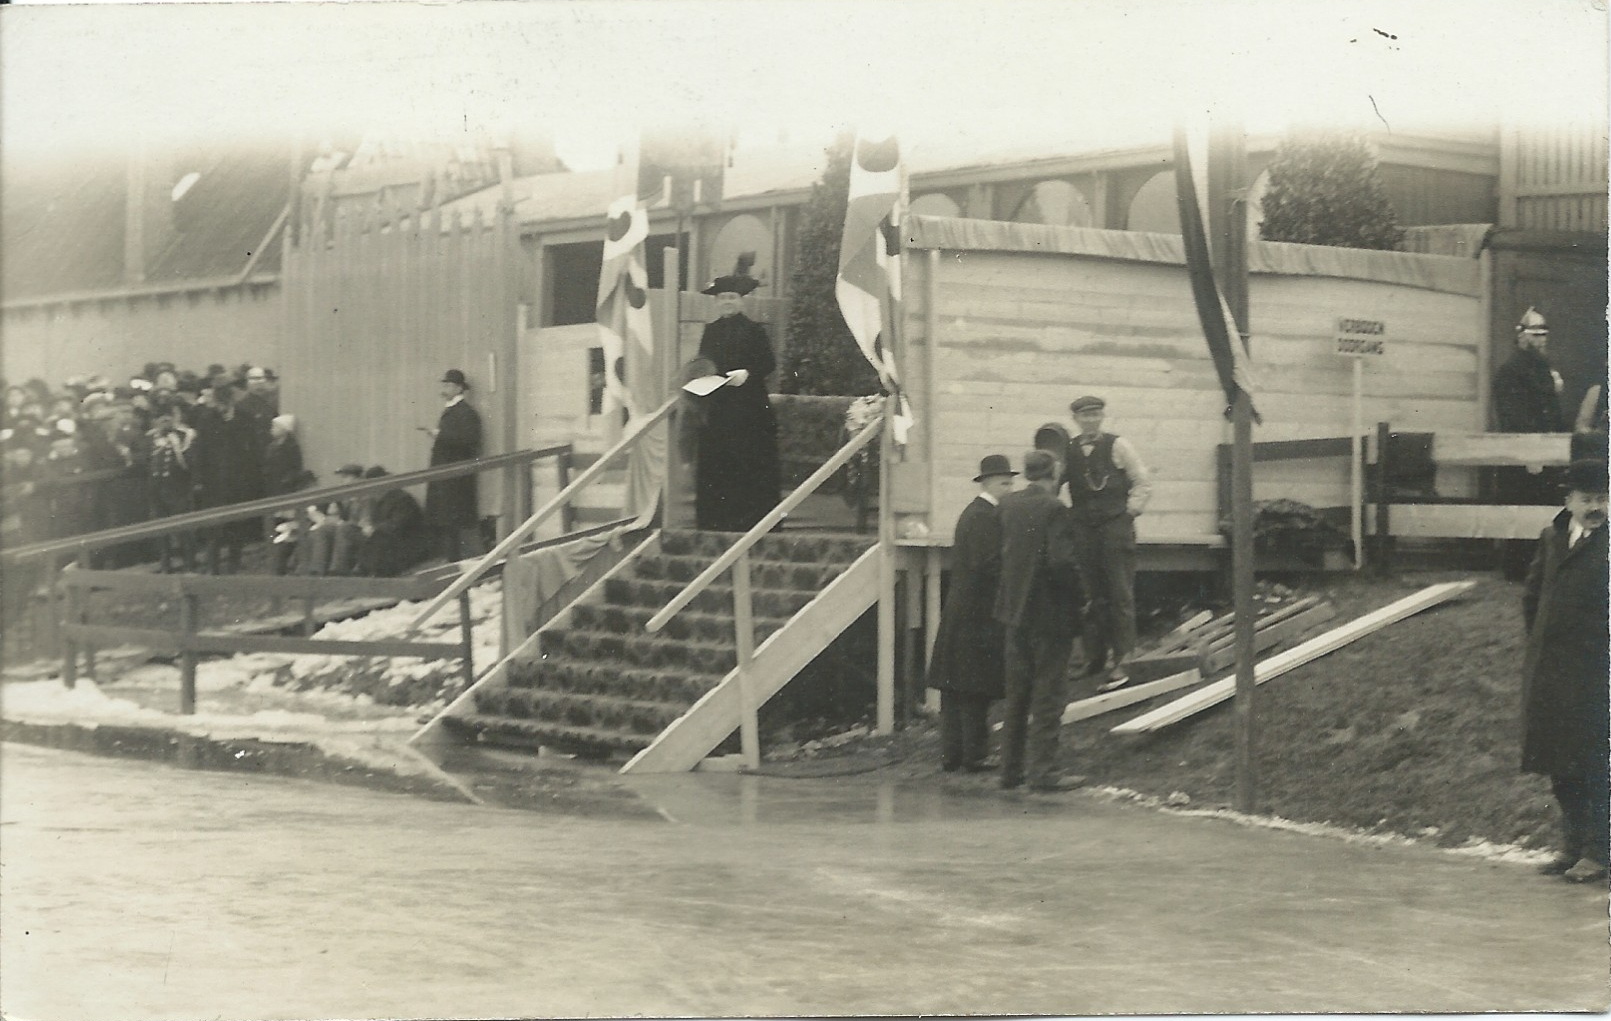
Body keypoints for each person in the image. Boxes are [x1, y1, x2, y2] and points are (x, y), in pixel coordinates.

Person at [1520, 457, 1609, 884]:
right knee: (1560, 764)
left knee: (1596, 766)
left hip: (1597, 674)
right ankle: (1572, 847)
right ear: (1568, 500)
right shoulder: (1552, 537)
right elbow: (1533, 596)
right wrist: (1541, 644)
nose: (1596, 507)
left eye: (1603, 498)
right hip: (1552, 671)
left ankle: (1599, 852)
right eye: (1587, 498)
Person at [994, 449, 1086, 792]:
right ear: (1055, 472)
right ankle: (1043, 772)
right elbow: (1061, 563)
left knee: (1017, 694)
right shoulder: (1055, 509)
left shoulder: (1008, 505)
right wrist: (1082, 595)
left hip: (1013, 612)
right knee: (1048, 694)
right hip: (1049, 615)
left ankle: (1010, 770)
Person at [928, 454, 1017, 773]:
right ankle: (974, 755)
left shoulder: (976, 513)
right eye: (1005, 483)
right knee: (974, 687)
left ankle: (953, 754)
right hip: (976, 614)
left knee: (957, 688)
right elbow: (987, 564)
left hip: (964, 611)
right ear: (989, 483)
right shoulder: (983, 517)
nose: (1010, 489)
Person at [1061, 394, 1152, 691]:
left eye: (1095, 415)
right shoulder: (1068, 449)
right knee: (1090, 594)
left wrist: (1129, 513)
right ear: (1075, 419)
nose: (1090, 421)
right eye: (1084, 416)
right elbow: (1053, 483)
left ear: (1101, 417)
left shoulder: (1118, 445)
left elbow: (1142, 482)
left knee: (1119, 595)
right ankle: (1094, 659)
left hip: (1115, 529)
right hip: (1083, 532)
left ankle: (1124, 658)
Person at [692, 271, 780, 532]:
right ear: (717, 302)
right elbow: (703, 362)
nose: (727, 302)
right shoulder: (710, 331)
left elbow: (768, 363)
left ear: (741, 300)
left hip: (750, 407)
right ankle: (717, 522)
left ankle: (752, 522)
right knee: (717, 462)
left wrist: (748, 373)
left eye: (732, 297)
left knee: (750, 460)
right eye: (723, 298)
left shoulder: (754, 330)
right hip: (718, 408)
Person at [191, 381, 264, 574]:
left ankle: (234, 563)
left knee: (237, 525)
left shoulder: (244, 418)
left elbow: (254, 449)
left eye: (223, 402)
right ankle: (213, 566)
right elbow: (199, 451)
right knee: (213, 525)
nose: (220, 407)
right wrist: (198, 479)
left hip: (238, 481)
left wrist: (252, 478)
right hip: (213, 482)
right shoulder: (206, 419)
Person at [423, 368, 483, 560]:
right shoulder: (452, 411)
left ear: (459, 388)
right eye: (445, 385)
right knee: (447, 521)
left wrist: (439, 435)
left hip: (456, 478)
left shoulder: (466, 413)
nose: (445, 389)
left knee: (456, 521)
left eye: (449, 385)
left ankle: (459, 563)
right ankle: (453, 562)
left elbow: (469, 440)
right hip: (447, 477)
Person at [356, 466, 432, 577]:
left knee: (378, 538)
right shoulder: (379, 499)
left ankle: (367, 572)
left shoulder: (402, 499)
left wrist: (374, 529)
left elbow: (399, 524)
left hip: (407, 542)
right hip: (389, 538)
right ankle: (352, 570)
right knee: (352, 531)